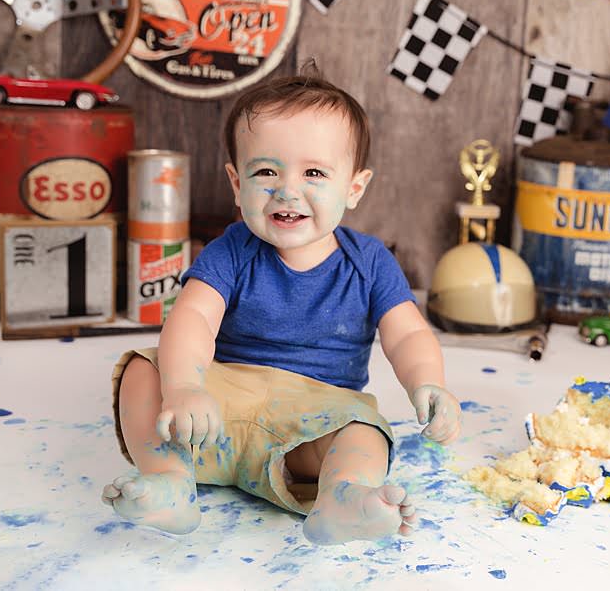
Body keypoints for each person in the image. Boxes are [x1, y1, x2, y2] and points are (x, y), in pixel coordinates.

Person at [101, 71, 462, 545]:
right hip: (215, 421)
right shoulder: (231, 252)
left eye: (314, 173)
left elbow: (408, 333)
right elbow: (193, 317)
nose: (287, 190)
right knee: (143, 371)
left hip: (310, 428)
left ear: (354, 188)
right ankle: (171, 481)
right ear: (236, 183)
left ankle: (342, 497)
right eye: (266, 172)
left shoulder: (370, 263)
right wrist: (185, 387)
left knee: (364, 430)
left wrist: (428, 382)